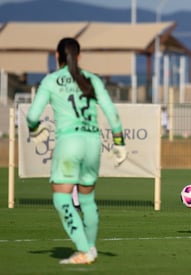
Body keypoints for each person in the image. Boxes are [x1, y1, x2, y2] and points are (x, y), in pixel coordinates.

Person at [26, 37, 127, 264]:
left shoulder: (51, 81)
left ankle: (83, 249)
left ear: (56, 56)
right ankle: (90, 248)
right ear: (79, 56)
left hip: (69, 143)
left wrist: (35, 130)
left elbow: (32, 116)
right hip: (92, 143)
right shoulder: (91, 79)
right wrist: (119, 143)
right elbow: (112, 112)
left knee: (62, 198)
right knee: (87, 199)